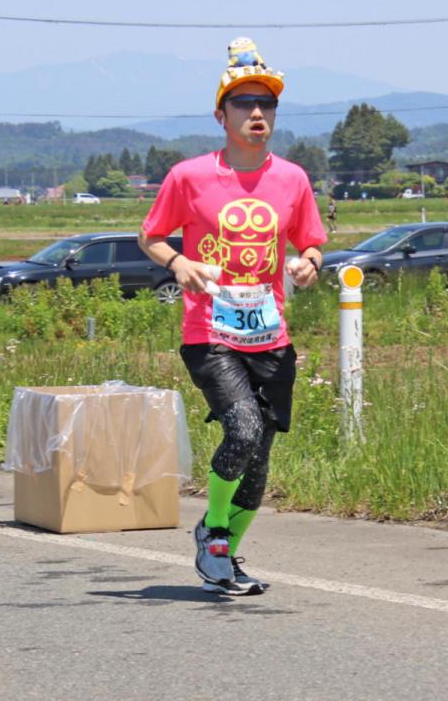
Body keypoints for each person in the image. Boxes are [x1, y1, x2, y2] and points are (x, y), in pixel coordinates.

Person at [139, 37, 326, 596]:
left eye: (266, 105)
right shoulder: (190, 176)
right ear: (221, 115)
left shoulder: (292, 179)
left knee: (260, 454)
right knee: (241, 429)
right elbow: (149, 236)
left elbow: (312, 243)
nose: (257, 114)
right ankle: (214, 534)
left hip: (269, 333)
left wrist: (310, 264)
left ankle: (226, 556)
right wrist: (178, 261)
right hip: (210, 331)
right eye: (244, 104)